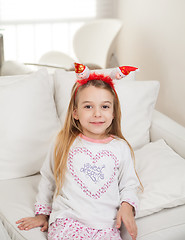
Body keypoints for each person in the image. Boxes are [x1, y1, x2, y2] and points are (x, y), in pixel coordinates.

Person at [16, 67, 140, 240]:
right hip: (68, 222)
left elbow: (129, 184)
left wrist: (127, 206)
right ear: (75, 112)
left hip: (106, 226)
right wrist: (42, 214)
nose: (97, 113)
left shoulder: (120, 148)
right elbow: (49, 178)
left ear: (113, 112)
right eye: (88, 106)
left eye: (105, 106)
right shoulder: (63, 142)